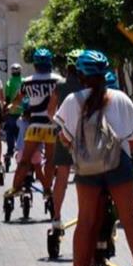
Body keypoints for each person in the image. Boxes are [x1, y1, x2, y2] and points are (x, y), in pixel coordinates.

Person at [54, 50, 133, 266]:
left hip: (88, 171)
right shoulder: (120, 98)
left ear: (80, 76)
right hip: (118, 167)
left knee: (86, 220)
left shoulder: (72, 101)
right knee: (129, 218)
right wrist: (131, 138)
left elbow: (65, 138)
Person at [4, 49, 63, 202]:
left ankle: (16, 187)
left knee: (25, 159)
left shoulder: (27, 81)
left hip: (34, 125)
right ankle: (48, 190)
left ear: (35, 65)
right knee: (50, 160)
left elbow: (17, 99)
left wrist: (10, 107)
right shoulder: (58, 80)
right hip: (52, 125)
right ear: (50, 63)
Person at [52, 49, 85, 233]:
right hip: (84, 137)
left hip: (63, 135)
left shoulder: (60, 85)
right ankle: (85, 216)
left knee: (62, 177)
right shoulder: (88, 86)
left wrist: (60, 125)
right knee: (84, 177)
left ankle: (56, 218)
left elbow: (51, 112)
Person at [3, 63, 25, 162]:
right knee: (22, 133)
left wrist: (5, 109)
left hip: (12, 112)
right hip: (23, 112)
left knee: (10, 133)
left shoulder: (9, 82)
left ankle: (10, 151)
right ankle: (22, 151)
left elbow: (7, 99)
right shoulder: (25, 81)